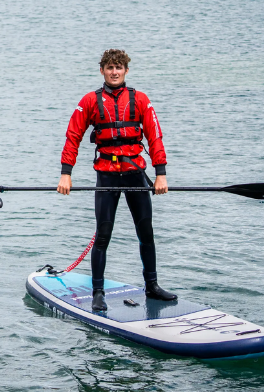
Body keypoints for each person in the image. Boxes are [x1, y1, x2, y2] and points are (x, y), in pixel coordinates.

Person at [57, 49, 177, 312]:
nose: (114, 72)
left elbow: (155, 137)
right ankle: (98, 291)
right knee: (103, 235)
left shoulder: (140, 100)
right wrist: (66, 173)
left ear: (126, 71)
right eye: (110, 67)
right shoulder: (90, 101)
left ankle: (152, 286)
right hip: (107, 176)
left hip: (135, 174)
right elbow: (72, 136)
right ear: (102, 71)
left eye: (119, 67)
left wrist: (161, 174)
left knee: (146, 232)